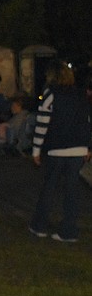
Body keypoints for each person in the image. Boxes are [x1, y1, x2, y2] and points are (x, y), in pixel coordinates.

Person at [29, 60, 92, 242]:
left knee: (49, 188)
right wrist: (88, 146)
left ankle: (39, 225)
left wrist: (36, 150)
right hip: (78, 150)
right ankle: (69, 231)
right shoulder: (80, 95)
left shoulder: (51, 94)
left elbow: (42, 124)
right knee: (71, 191)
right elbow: (87, 122)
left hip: (57, 149)